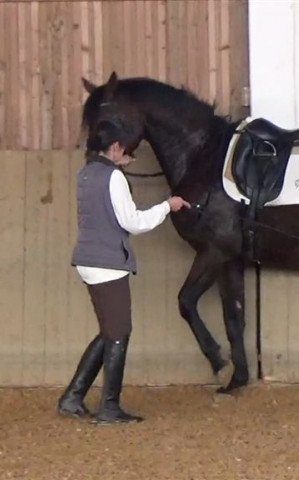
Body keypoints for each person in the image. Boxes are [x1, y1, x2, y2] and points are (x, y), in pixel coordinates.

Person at [58, 118, 190, 424]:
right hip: (107, 263)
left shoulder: (87, 174)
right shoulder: (113, 177)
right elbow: (132, 222)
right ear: (115, 147)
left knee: (110, 331)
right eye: (125, 148)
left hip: (89, 260)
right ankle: (109, 407)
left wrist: (120, 170)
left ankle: (72, 397)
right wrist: (166, 206)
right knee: (119, 333)